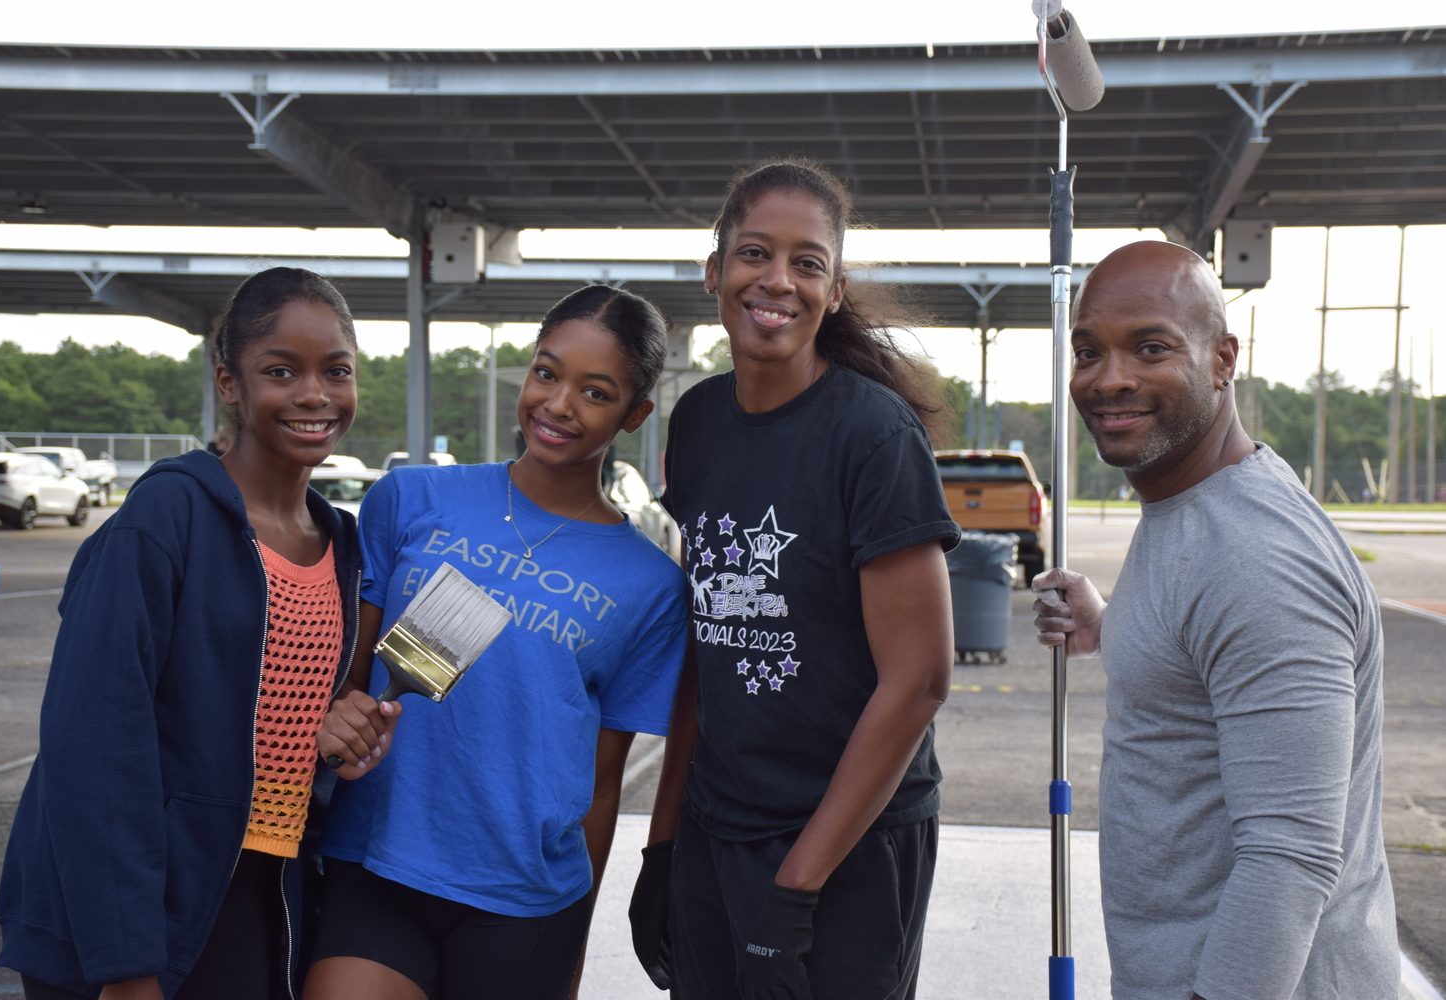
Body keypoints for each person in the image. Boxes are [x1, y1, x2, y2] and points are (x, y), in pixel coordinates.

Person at [1032, 241, 1399, 1000]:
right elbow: (1205, 651)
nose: (1110, 379)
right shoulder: (1187, 501)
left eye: (1151, 347)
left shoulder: (1258, 559)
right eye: (1088, 351)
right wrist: (1115, 625)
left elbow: (1290, 860)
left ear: (1223, 359)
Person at [630, 159, 959, 1000]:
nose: (777, 280)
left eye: (807, 262)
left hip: (847, 843)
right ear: (715, 272)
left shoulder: (873, 439)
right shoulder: (698, 420)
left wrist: (797, 891)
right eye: (753, 253)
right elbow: (707, 651)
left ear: (835, 289)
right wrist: (664, 844)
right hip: (718, 827)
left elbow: (918, 681)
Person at [304, 285, 688, 1000]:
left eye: (595, 392)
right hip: (379, 864)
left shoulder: (651, 585)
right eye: (547, 373)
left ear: (635, 415)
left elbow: (602, 788)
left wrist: (572, 953)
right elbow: (347, 679)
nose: (559, 404)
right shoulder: (411, 498)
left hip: (525, 901)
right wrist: (341, 718)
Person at [0, 267, 366, 1000]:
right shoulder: (164, 521)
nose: (315, 394)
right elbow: (94, 744)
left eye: (337, 370)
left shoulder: (339, 541)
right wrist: (126, 963)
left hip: (262, 892)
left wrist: (333, 735)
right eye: (281, 371)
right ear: (229, 383)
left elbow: (253, 716)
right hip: (139, 909)